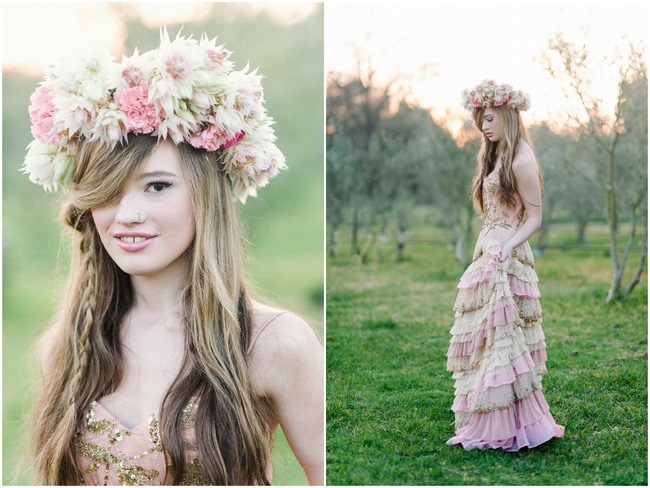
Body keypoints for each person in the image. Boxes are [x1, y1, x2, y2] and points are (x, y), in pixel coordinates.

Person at [22, 30, 324, 485]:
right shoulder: (64, 349)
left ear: (204, 197)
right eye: (108, 191)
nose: (127, 215)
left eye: (157, 186)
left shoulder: (273, 344)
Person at [445, 80, 564, 451]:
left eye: (491, 118)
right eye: (481, 119)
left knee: (504, 340)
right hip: (490, 249)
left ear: (509, 116)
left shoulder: (523, 158)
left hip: (507, 255)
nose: (484, 126)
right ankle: (490, 417)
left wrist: (508, 247)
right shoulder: (495, 154)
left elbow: (534, 218)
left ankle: (509, 423)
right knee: (485, 337)